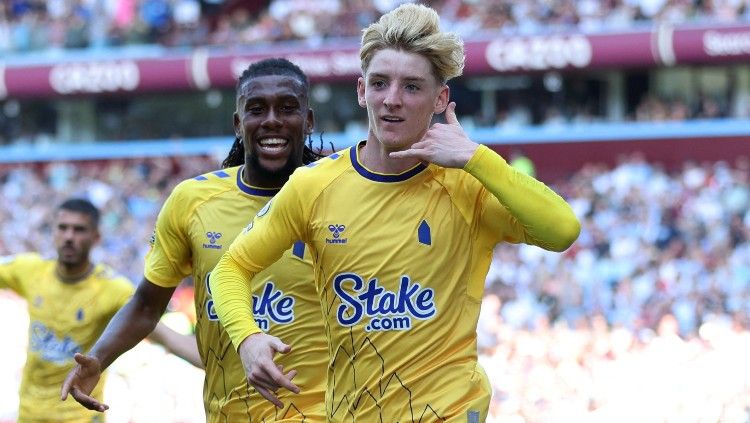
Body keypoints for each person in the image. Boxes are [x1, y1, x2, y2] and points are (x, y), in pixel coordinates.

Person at [209, 4, 581, 422]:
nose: (392, 100)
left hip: (451, 410)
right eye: (380, 83)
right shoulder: (314, 186)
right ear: (361, 90)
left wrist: (478, 158)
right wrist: (248, 337)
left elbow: (562, 230)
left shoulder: (468, 184)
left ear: (441, 98)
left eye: (411, 87)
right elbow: (230, 269)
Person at [61, 58, 328, 422]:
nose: (271, 120)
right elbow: (146, 304)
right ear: (238, 123)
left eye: (287, 108)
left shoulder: (336, 196)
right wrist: (98, 359)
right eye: (256, 109)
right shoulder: (192, 201)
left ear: (308, 120)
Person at [0, 198, 201, 423]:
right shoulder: (29, 271)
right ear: (53, 232)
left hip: (80, 417)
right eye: (63, 228)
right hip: (29, 415)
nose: (69, 236)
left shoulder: (113, 289)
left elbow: (166, 337)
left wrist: (227, 363)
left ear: (96, 237)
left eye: (79, 230)